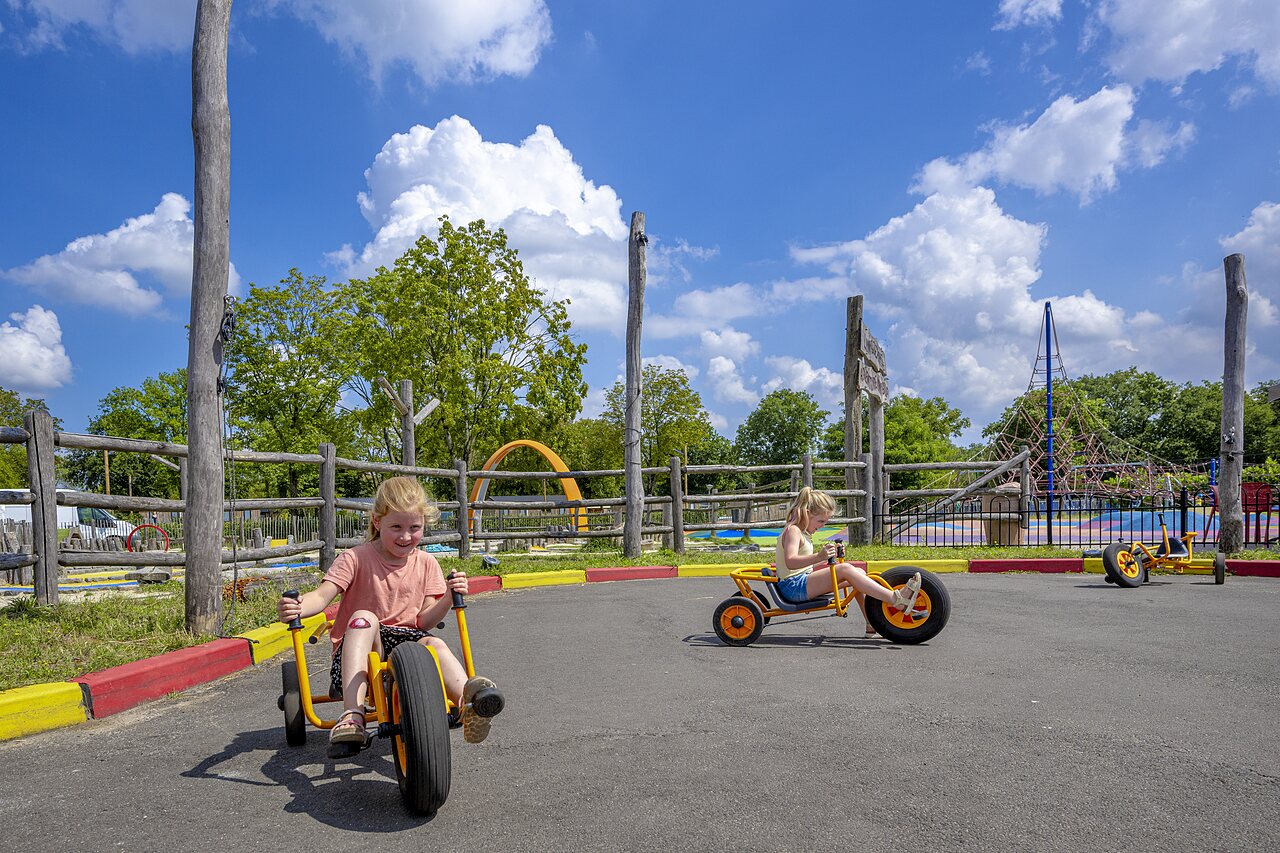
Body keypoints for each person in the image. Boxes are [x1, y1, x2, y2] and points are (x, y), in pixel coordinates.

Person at [277, 476, 503, 751]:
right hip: (360, 646)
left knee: (435, 643)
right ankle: (353, 714)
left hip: (408, 640)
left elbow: (424, 620)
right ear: (376, 522)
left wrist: (447, 596)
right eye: (396, 526)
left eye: (415, 527)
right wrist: (299, 605)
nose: (406, 536)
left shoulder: (427, 563)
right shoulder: (355, 558)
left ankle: (470, 702)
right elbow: (322, 596)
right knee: (365, 617)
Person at [774, 487, 922, 638]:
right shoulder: (793, 531)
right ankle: (895, 599)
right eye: (820, 521)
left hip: (801, 583)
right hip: (793, 587)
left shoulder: (801, 532)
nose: (822, 525)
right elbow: (791, 562)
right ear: (807, 513)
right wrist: (820, 556)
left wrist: (830, 556)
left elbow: (803, 565)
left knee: (858, 574)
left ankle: (871, 624)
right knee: (845, 569)